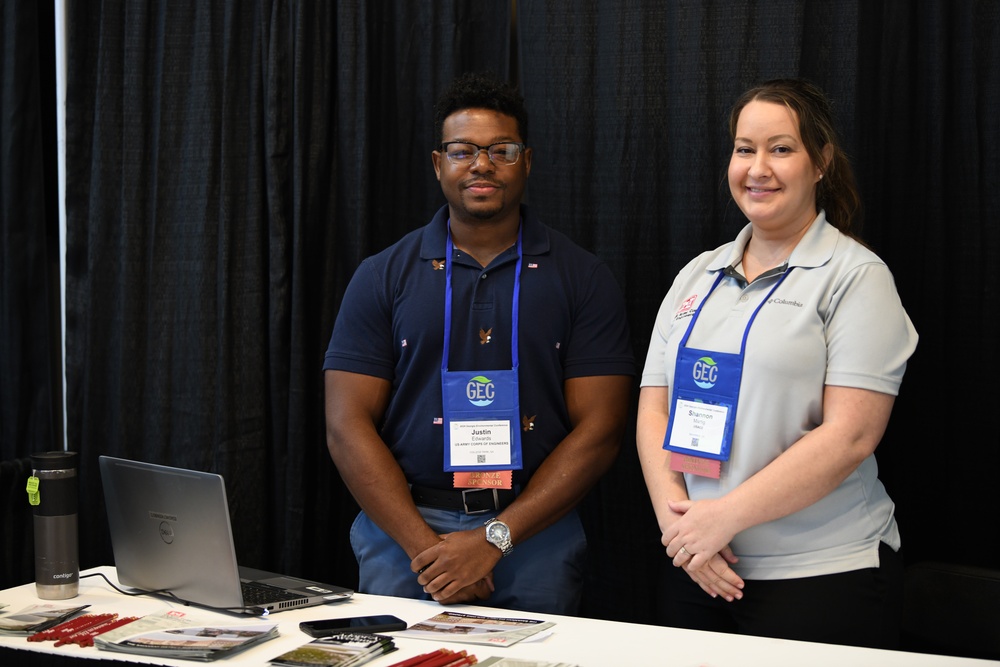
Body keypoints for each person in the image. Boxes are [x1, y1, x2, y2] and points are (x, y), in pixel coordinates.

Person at [323, 72, 634, 615]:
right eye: (463, 150)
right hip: (404, 535)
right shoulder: (382, 275)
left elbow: (601, 431)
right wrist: (431, 552)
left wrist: (494, 539)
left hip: (535, 532)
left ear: (528, 160)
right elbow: (345, 425)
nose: (482, 164)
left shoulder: (583, 278)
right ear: (439, 163)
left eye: (501, 150)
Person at [636, 78, 917, 649]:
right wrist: (682, 530)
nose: (757, 167)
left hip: (823, 574)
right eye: (745, 149)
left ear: (821, 163)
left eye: (780, 148)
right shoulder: (697, 275)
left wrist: (722, 518)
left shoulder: (856, 277)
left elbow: (851, 436)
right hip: (698, 567)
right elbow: (653, 411)